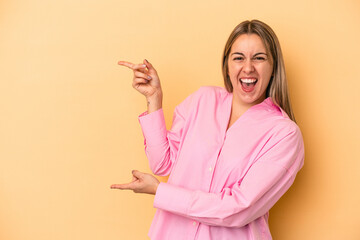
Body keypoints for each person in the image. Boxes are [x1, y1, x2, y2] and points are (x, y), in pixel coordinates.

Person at [111, 19, 304, 240]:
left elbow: (239, 208)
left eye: (259, 58)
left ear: (273, 68)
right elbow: (162, 163)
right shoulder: (202, 100)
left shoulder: (284, 135)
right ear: (227, 65)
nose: (248, 67)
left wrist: (161, 192)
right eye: (238, 58)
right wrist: (154, 99)